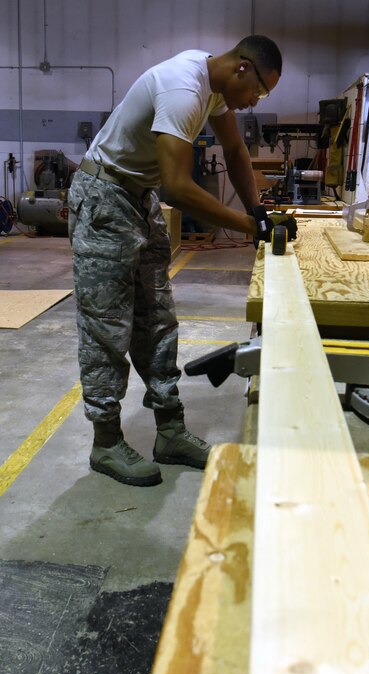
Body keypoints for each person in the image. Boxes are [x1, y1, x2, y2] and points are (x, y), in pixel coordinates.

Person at [68, 34, 294, 487]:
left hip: (136, 198)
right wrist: (249, 228)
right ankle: (106, 443)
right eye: (259, 91)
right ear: (242, 69)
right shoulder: (183, 89)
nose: (253, 102)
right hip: (104, 197)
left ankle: (169, 431)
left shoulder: (212, 85)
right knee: (107, 326)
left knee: (157, 319)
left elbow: (234, 150)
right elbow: (176, 187)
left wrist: (257, 211)